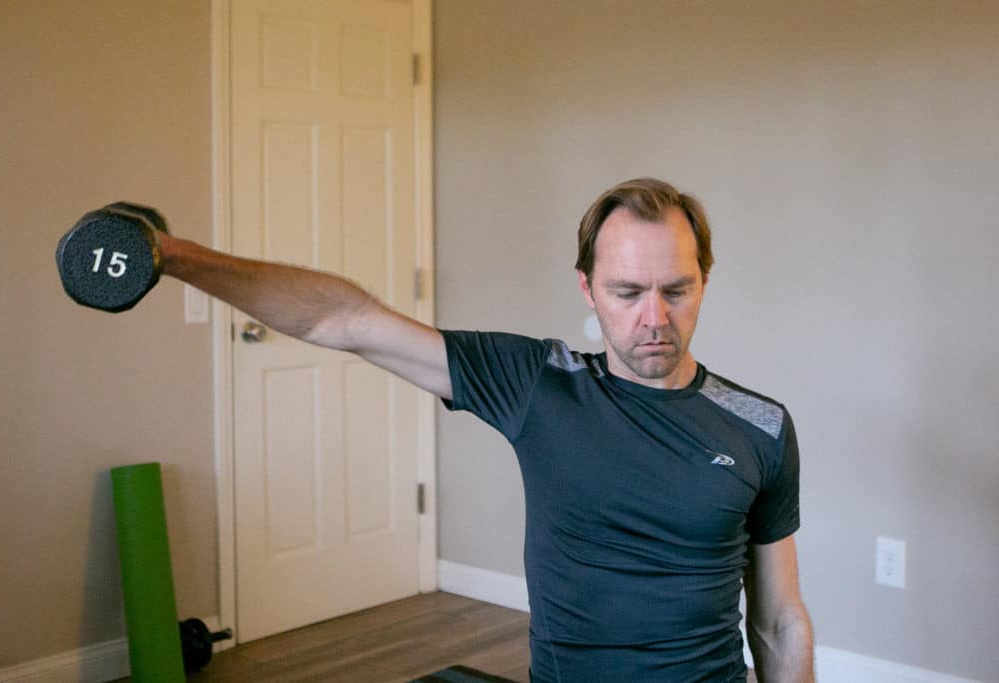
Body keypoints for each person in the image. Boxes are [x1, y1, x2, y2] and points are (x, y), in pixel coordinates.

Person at [158, 177, 814, 682]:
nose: (654, 317)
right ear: (587, 289)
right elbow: (343, 321)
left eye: (676, 289)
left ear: (705, 280)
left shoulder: (760, 426)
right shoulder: (539, 384)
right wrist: (171, 255)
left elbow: (780, 617)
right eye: (627, 291)